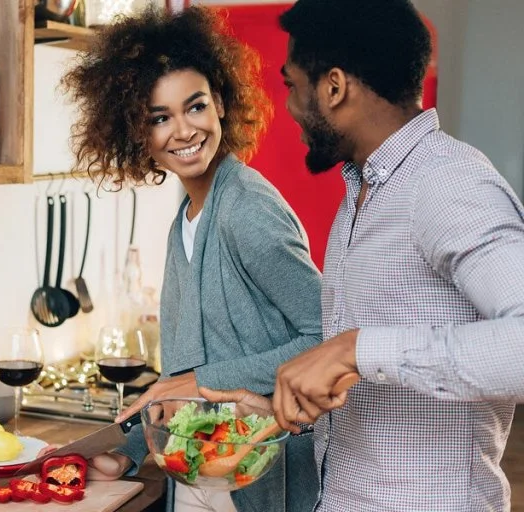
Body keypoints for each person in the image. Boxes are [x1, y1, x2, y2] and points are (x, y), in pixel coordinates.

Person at [201, 0, 524, 510]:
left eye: (290, 84)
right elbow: (375, 391)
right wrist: (270, 410)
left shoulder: (446, 183)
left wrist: (356, 349)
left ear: (333, 86)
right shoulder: (365, 191)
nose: (286, 106)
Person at [60, 6, 323, 512]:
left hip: (258, 479)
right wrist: (128, 452)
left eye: (195, 107)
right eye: (160, 118)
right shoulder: (187, 216)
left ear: (220, 103)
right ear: (139, 134)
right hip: (200, 479)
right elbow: (183, 385)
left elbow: (326, 336)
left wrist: (202, 382)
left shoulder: (246, 210)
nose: (183, 131)